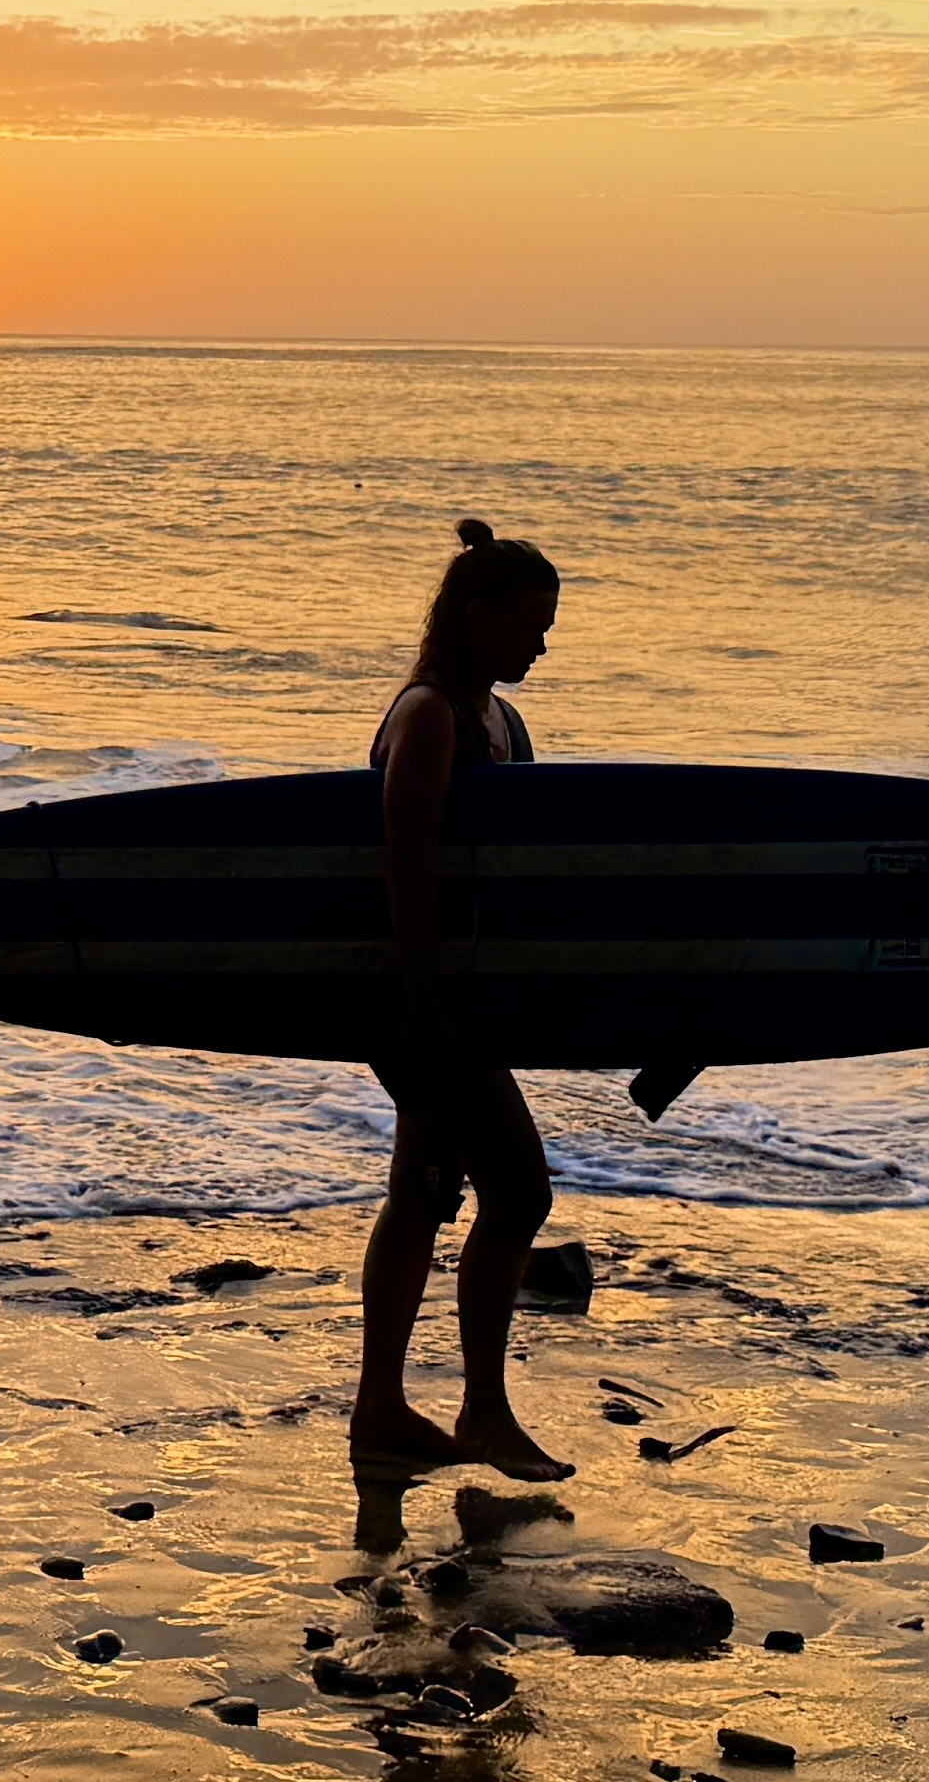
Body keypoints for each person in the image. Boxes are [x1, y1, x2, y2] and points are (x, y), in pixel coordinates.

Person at [348, 517, 574, 1482]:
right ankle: (482, 1410)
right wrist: (426, 1006)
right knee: (519, 1190)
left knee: (423, 1191)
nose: (543, 642)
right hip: (425, 999)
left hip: (467, 998)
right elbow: (405, 863)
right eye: (531, 623)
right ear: (476, 615)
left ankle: (382, 1409)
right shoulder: (431, 714)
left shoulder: (499, 718)